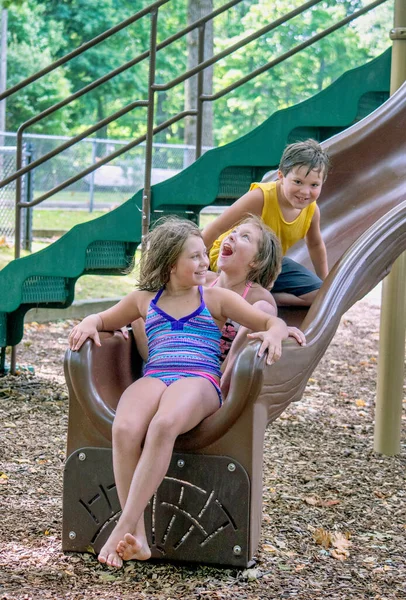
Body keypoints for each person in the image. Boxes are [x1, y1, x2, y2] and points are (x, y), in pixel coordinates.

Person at [68, 217, 289, 568]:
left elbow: (270, 322)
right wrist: (89, 323)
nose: (206, 263)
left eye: (205, 255)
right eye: (196, 257)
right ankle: (137, 535)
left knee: (162, 424)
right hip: (157, 375)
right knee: (124, 428)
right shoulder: (144, 300)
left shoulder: (215, 297)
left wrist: (276, 333)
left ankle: (122, 523)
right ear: (171, 264)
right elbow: (104, 318)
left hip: (199, 380)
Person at [202, 139, 331, 307]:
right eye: (298, 182)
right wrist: (194, 257)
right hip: (234, 256)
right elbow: (218, 227)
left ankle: (262, 296)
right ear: (281, 176)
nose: (305, 192)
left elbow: (315, 244)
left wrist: (326, 282)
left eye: (314, 185)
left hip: (267, 264)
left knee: (319, 295)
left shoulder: (312, 210)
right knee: (234, 290)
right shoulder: (261, 197)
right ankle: (248, 294)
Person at [205, 215, 306, 395]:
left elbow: (266, 321)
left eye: (245, 237)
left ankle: (221, 387)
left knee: (263, 310)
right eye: (233, 232)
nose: (231, 236)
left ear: (256, 261)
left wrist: (277, 330)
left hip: (216, 374)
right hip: (184, 360)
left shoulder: (258, 297)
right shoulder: (204, 281)